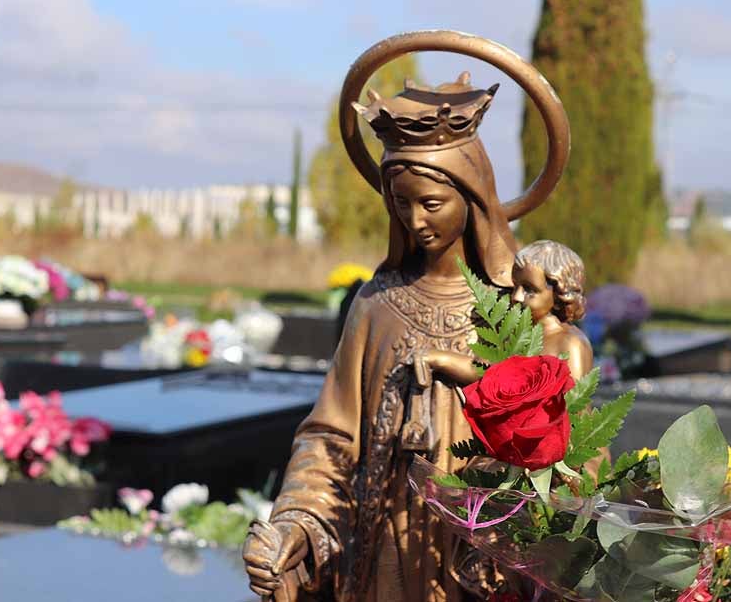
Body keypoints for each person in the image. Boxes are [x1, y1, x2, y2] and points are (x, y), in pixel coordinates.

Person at [242, 74, 519, 601]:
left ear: (472, 195)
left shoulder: (513, 307)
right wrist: (294, 524)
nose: (416, 221)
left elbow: (552, 433)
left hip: (479, 547)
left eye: (432, 203)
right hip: (386, 545)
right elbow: (332, 437)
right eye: (401, 203)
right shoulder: (376, 304)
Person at [417, 239, 593, 390]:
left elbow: (576, 408)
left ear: (559, 293)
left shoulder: (571, 343)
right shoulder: (513, 334)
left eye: (529, 290)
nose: (516, 297)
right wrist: (438, 358)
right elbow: (482, 371)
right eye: (516, 286)